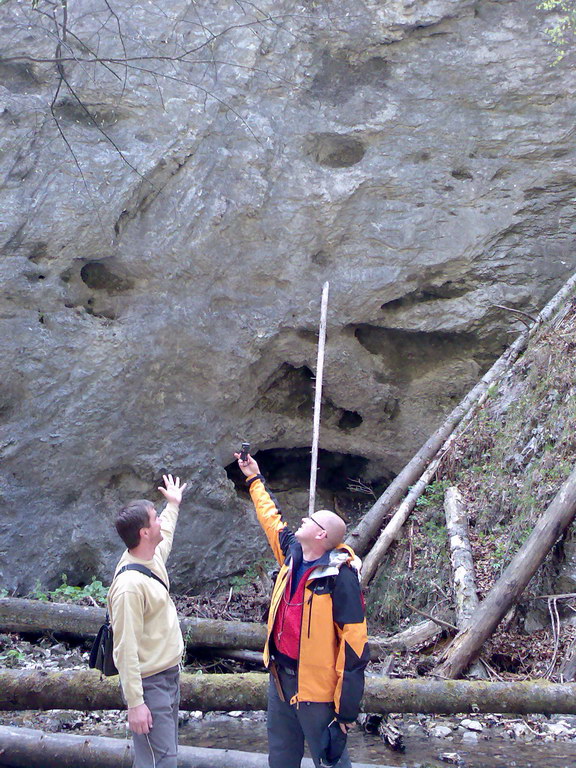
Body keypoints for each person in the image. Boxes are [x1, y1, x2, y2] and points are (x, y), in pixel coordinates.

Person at [234, 451, 369, 768]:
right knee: (281, 758)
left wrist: (346, 710)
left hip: (318, 691)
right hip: (280, 679)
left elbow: (355, 647)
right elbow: (271, 519)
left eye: (311, 520)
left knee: (331, 761)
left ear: (321, 535)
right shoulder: (293, 554)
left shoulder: (341, 577)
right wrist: (253, 477)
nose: (303, 520)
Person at [107, 473, 187, 768]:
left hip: (169, 675)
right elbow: (124, 648)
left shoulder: (150, 557)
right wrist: (135, 703)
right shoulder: (129, 587)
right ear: (143, 532)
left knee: (165, 756)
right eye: (155, 519)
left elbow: (166, 534)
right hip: (149, 682)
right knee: (160, 762)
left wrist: (173, 505)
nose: (160, 523)